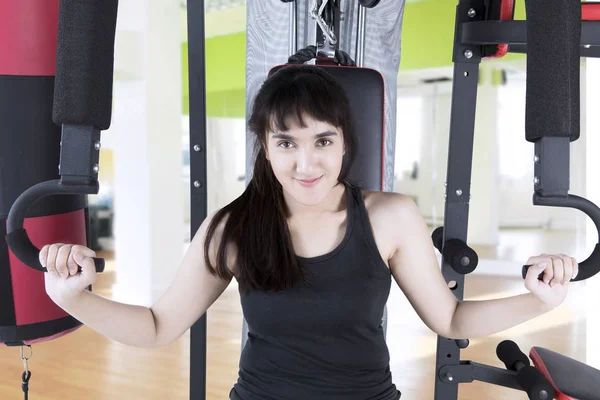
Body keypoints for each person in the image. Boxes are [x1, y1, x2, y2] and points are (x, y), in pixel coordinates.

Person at [40, 65, 578, 400]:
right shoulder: (231, 228)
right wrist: (73, 298)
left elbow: (452, 318)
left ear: (345, 143)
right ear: (265, 147)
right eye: (286, 143)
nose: (306, 164)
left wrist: (539, 300)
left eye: (323, 141)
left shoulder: (389, 216)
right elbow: (157, 327)